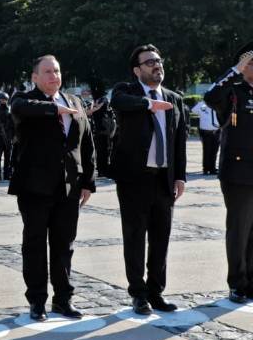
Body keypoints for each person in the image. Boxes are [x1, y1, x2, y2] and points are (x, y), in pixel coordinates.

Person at [9, 55, 96, 321]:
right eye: (47, 72)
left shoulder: (74, 102)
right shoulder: (22, 100)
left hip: (69, 187)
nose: (53, 76)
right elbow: (22, 108)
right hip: (35, 187)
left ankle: (63, 299)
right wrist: (53, 109)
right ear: (34, 77)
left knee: (63, 245)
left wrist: (88, 181)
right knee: (35, 245)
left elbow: (86, 143)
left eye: (57, 71)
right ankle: (37, 301)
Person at [110, 44, 187, 315]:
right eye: (150, 62)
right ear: (137, 70)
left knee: (161, 239)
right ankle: (138, 293)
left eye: (158, 60)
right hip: (134, 179)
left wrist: (180, 177)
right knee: (134, 237)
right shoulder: (126, 91)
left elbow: (179, 141)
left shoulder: (174, 98)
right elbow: (117, 102)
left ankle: (156, 292)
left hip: (164, 180)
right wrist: (148, 103)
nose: (157, 65)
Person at [204, 41, 253, 303]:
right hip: (238, 172)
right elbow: (210, 97)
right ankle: (238, 283)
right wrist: (235, 70)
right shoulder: (232, 90)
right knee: (239, 229)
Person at [88, 91, 116, 178]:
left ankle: (103, 170)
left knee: (106, 152)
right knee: (102, 152)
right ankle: (102, 170)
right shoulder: (97, 110)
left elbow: (113, 123)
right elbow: (93, 109)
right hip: (101, 133)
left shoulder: (106, 113)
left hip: (105, 133)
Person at [191, 99, 220, 175]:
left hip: (216, 131)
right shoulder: (203, 105)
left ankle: (212, 168)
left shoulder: (218, 104)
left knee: (214, 151)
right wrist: (203, 103)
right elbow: (193, 110)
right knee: (206, 151)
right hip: (206, 132)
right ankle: (206, 169)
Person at [0, 92, 14, 181]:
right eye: (1, 99)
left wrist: (13, 136)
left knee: (8, 158)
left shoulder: (10, 110)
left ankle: (7, 175)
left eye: (4, 99)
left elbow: (13, 124)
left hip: (8, 137)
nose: (3, 101)